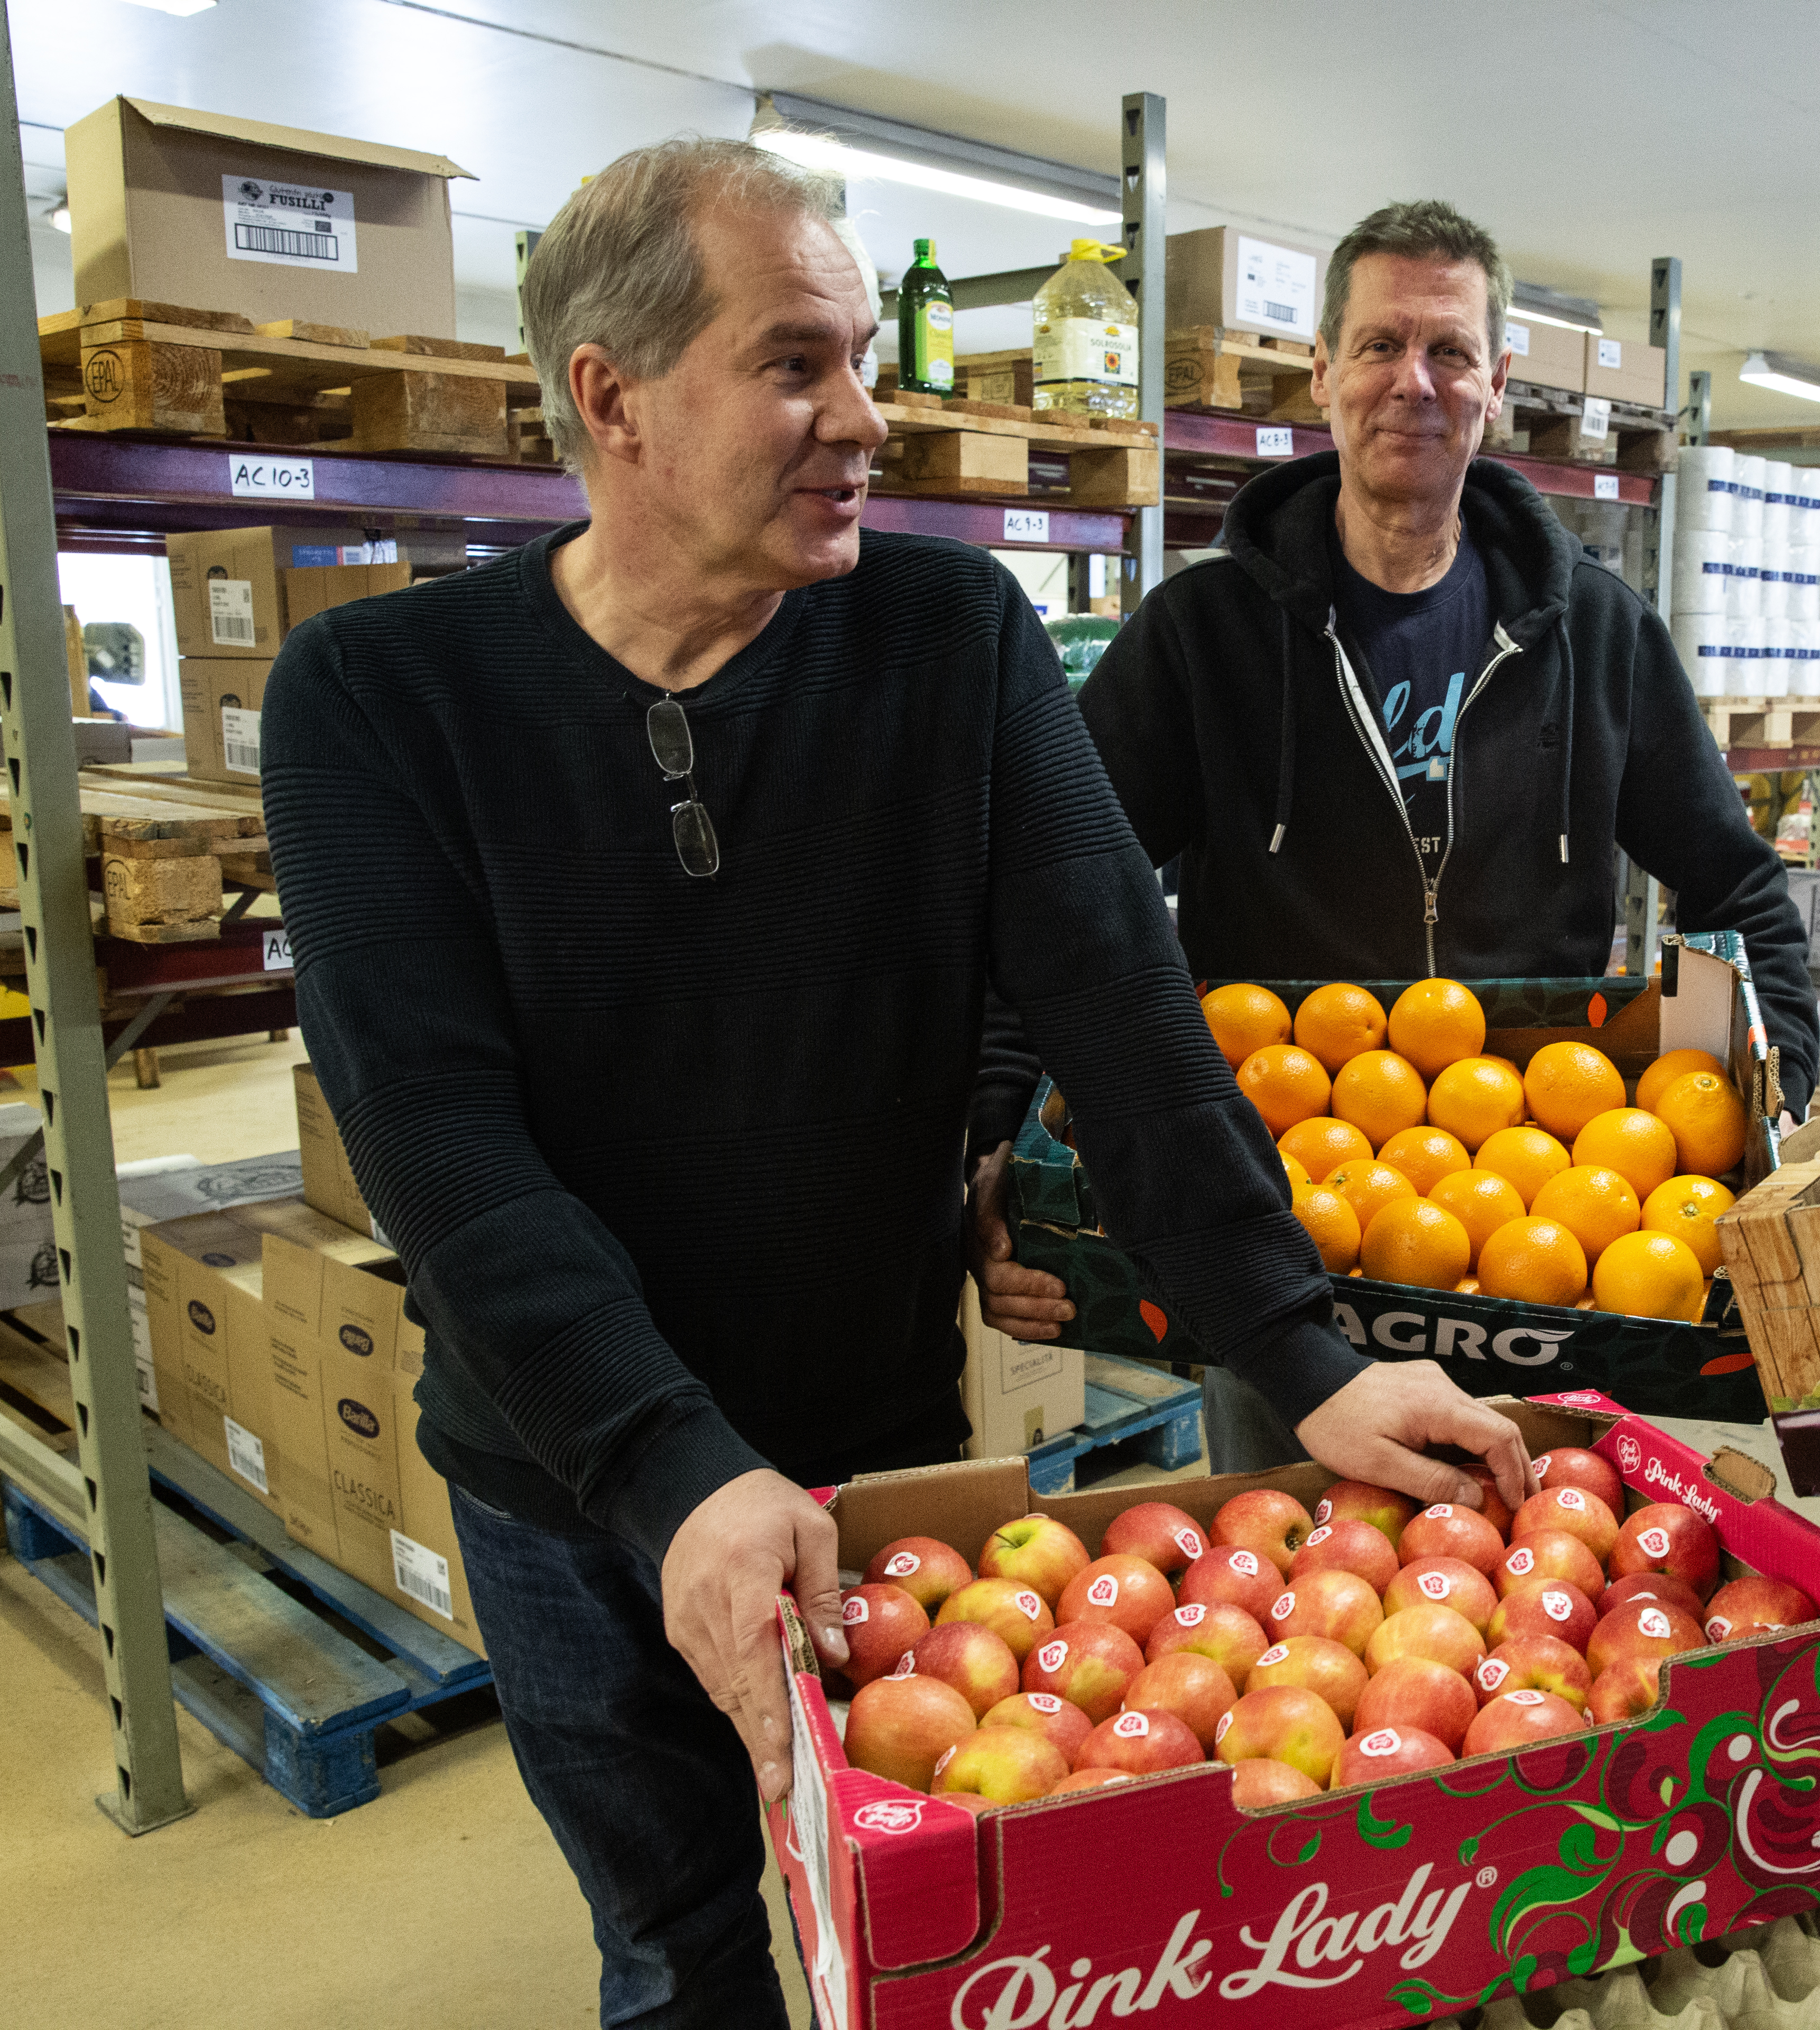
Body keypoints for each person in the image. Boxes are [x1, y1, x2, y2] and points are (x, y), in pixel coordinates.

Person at [265, 139, 1528, 2029]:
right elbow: (442, 1145)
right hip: (566, 1481)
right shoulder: (379, 700)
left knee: (944, 1954)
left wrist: (1309, 1356)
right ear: (614, 397)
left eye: (862, 354)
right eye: (796, 365)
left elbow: (1124, 1015)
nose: (867, 418)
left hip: (874, 1483)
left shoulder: (946, 641)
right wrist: (670, 1472)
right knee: (681, 1954)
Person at [967, 199, 1818, 1472]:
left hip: (1559, 1227)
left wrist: (1777, 1106)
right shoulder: (1203, 637)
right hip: (1286, 1222)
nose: (1411, 383)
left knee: (1543, 1586)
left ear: (1497, 384)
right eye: (1377, 346)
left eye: (1449, 351)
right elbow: (1051, 899)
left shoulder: (1596, 630)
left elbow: (1733, 881)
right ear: (1322, 373)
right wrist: (1002, 1152)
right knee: (1296, 1587)